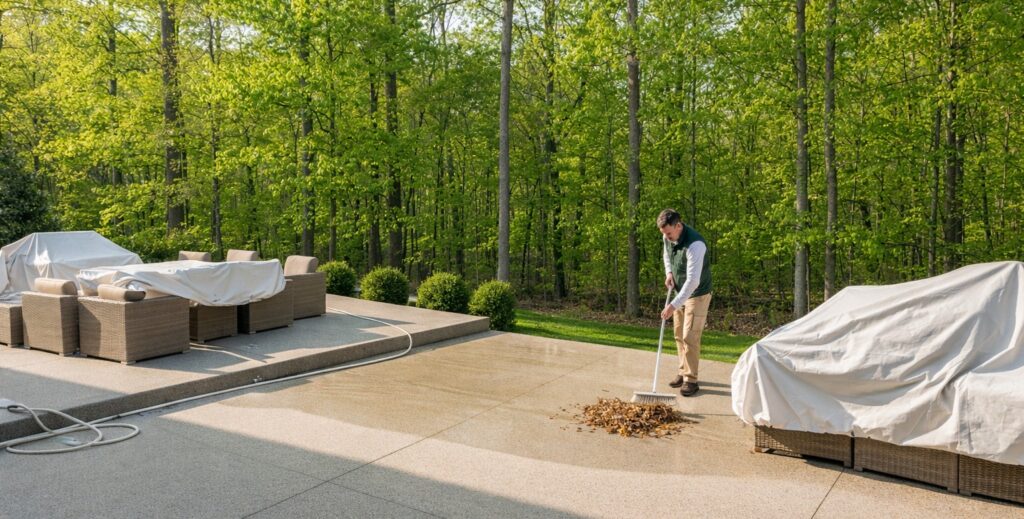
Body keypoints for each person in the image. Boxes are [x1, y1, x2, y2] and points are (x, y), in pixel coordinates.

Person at [657, 209, 712, 397]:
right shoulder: (668, 237)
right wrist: (669, 273)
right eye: (664, 234)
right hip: (680, 291)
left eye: (669, 233)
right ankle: (682, 371)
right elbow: (666, 255)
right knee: (679, 334)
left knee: (690, 335)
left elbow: (693, 281)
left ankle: (691, 380)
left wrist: (672, 305)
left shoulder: (695, 245)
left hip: (698, 293)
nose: (666, 237)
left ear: (678, 226)